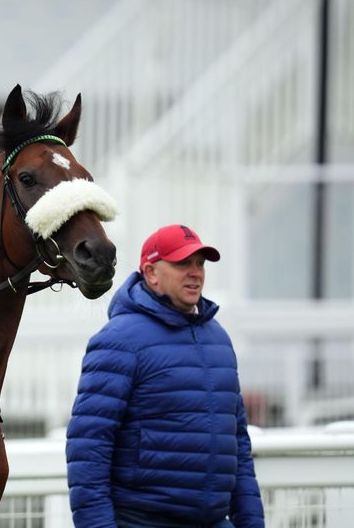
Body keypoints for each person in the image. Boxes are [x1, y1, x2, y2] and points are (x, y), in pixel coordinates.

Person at [66, 224, 264, 527]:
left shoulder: (219, 339)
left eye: (200, 263)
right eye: (182, 263)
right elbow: (89, 446)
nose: (195, 272)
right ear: (151, 273)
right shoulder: (119, 340)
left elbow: (238, 444)